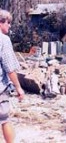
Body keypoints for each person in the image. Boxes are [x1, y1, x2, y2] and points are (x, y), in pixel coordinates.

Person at [0, 9, 25, 143]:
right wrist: (18, 88)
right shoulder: (3, 40)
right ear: (0, 23)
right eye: (8, 23)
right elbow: (9, 68)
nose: (9, 25)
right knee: (4, 119)